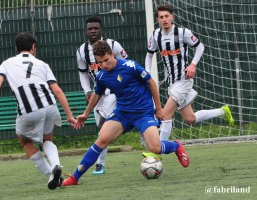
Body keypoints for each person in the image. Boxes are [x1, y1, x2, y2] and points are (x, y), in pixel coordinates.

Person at [61, 40, 190, 186]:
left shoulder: (130, 66)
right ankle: (75, 177)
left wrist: (159, 108)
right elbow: (97, 94)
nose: (103, 65)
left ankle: (176, 146)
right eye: (99, 62)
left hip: (143, 113)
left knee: (155, 148)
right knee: (102, 139)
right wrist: (85, 114)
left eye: (106, 60)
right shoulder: (102, 76)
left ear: (112, 55)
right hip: (122, 114)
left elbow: (151, 83)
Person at [0, 32, 76, 190]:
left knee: (24, 141)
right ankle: (57, 165)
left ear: (16, 48)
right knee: (47, 139)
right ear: (33, 47)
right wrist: (69, 115)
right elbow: (57, 90)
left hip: (29, 109)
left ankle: (50, 173)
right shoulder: (42, 64)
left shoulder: (7, 63)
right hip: (50, 105)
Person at [144, 4, 234, 142]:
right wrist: (147, 73)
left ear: (172, 17)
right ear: (158, 20)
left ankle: (158, 151)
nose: (164, 19)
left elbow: (200, 47)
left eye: (167, 16)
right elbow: (149, 55)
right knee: (190, 118)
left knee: (166, 115)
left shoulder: (182, 33)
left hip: (183, 80)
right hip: (172, 83)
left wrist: (193, 64)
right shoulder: (156, 35)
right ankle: (222, 111)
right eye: (161, 17)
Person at [77, 16, 128, 174]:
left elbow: (127, 64)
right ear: (86, 31)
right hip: (97, 93)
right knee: (102, 129)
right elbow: (83, 74)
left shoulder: (113, 45)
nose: (93, 31)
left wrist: (122, 84)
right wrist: (87, 90)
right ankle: (101, 163)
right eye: (90, 29)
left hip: (114, 91)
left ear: (101, 30)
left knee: (102, 126)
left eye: (96, 28)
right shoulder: (81, 51)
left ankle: (99, 163)